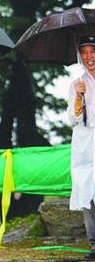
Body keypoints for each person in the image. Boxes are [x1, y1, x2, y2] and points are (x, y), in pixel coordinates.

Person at [68, 35, 95, 260]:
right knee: (87, 190)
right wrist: (78, 96)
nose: (89, 57)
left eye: (93, 51)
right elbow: (72, 117)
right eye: (84, 53)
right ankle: (94, 242)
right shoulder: (77, 82)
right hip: (85, 141)